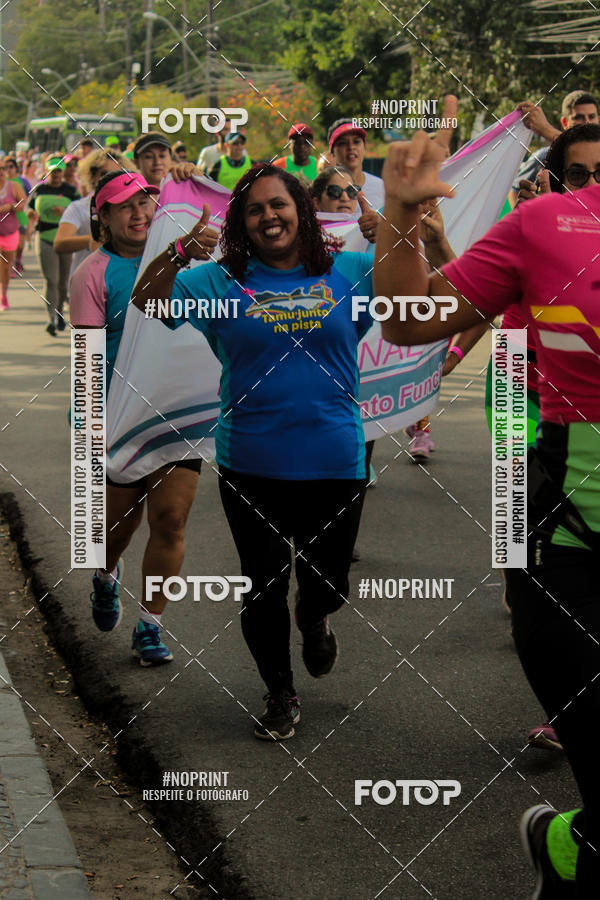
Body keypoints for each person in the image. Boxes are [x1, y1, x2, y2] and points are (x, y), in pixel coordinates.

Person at [374, 130, 600, 899]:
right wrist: (401, 217)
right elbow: (408, 321)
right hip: (571, 545)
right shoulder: (548, 224)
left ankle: (565, 846)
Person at [134, 164, 373, 740]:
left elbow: (428, 293)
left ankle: (314, 614)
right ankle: (279, 692)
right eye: (255, 209)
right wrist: (177, 253)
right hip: (251, 464)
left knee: (329, 582)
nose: (270, 216)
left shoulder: (352, 271)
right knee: (261, 584)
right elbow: (147, 302)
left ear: (303, 212)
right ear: (242, 223)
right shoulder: (218, 283)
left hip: (336, 459)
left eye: (279, 205)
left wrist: (401, 234)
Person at [70, 171, 208, 666]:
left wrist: (193, 184)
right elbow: (86, 357)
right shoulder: (92, 272)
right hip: (117, 418)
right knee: (116, 529)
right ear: (102, 216)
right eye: (124, 205)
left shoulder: (185, 256)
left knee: (170, 520)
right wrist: (89, 425)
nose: (139, 213)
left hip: (176, 414)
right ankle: (105, 576)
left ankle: (150, 625)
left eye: (146, 202)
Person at [54, 148, 135, 279]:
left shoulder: (133, 208)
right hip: (85, 283)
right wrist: (92, 239)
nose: (111, 179)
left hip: (120, 283)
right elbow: (60, 243)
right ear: (92, 177)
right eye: (104, 174)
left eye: (117, 174)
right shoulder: (78, 208)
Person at [509, 90, 599, 206]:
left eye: (591, 116)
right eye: (576, 175)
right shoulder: (544, 157)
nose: (587, 122)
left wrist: (546, 130)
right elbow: (516, 191)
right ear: (565, 122)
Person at [27, 157, 79, 334]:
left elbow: (80, 213)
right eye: (52, 171)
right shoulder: (39, 189)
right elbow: (27, 206)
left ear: (63, 172)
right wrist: (31, 213)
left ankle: (59, 314)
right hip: (45, 237)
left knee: (63, 283)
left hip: (65, 239)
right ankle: (51, 318)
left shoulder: (71, 191)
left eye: (58, 171)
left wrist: (65, 212)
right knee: (51, 280)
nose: (55, 174)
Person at [327, 119, 385, 211]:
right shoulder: (323, 191)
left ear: (364, 147)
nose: (351, 147)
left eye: (356, 142)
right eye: (343, 143)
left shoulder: (381, 188)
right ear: (332, 152)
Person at [0, 160, 27, 310]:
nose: (1, 172)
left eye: (3, 169)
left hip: (10, 232)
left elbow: (23, 203)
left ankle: (3, 295)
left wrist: (10, 207)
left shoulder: (13, 186)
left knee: (5, 267)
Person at [3, 156, 30, 277]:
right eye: (5, 167)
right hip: (5, 222)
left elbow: (27, 199)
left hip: (20, 217)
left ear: (16, 168)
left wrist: (11, 206)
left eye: (11, 167)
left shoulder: (22, 181)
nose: (8, 170)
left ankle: (17, 260)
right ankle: (10, 267)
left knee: (20, 245)